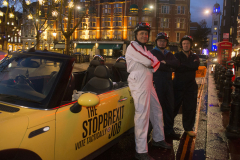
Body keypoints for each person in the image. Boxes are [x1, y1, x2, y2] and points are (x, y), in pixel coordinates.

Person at [126, 23, 171, 160]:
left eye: (146, 34)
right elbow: (148, 61)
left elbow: (152, 60)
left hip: (147, 79)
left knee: (156, 109)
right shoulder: (133, 46)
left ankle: (158, 139)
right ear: (136, 35)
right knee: (142, 114)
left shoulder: (144, 48)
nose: (144, 36)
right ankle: (141, 151)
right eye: (141, 34)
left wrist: (153, 61)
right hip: (139, 80)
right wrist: (155, 62)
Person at [151, 32, 180, 139]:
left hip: (168, 84)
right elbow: (156, 65)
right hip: (157, 83)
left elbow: (177, 63)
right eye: (160, 41)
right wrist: (168, 65)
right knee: (158, 108)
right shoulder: (152, 53)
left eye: (164, 41)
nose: (162, 43)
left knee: (169, 107)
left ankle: (169, 130)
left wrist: (166, 62)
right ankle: (157, 132)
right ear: (156, 42)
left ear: (166, 42)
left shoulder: (169, 53)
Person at [173, 35, 199, 137]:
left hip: (190, 86)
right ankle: (168, 128)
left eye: (187, 43)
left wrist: (182, 65)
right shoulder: (177, 55)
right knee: (174, 107)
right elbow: (176, 67)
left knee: (190, 108)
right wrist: (189, 66)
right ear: (181, 45)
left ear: (190, 45)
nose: (186, 45)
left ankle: (188, 128)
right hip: (178, 85)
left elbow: (195, 66)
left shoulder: (195, 56)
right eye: (184, 43)